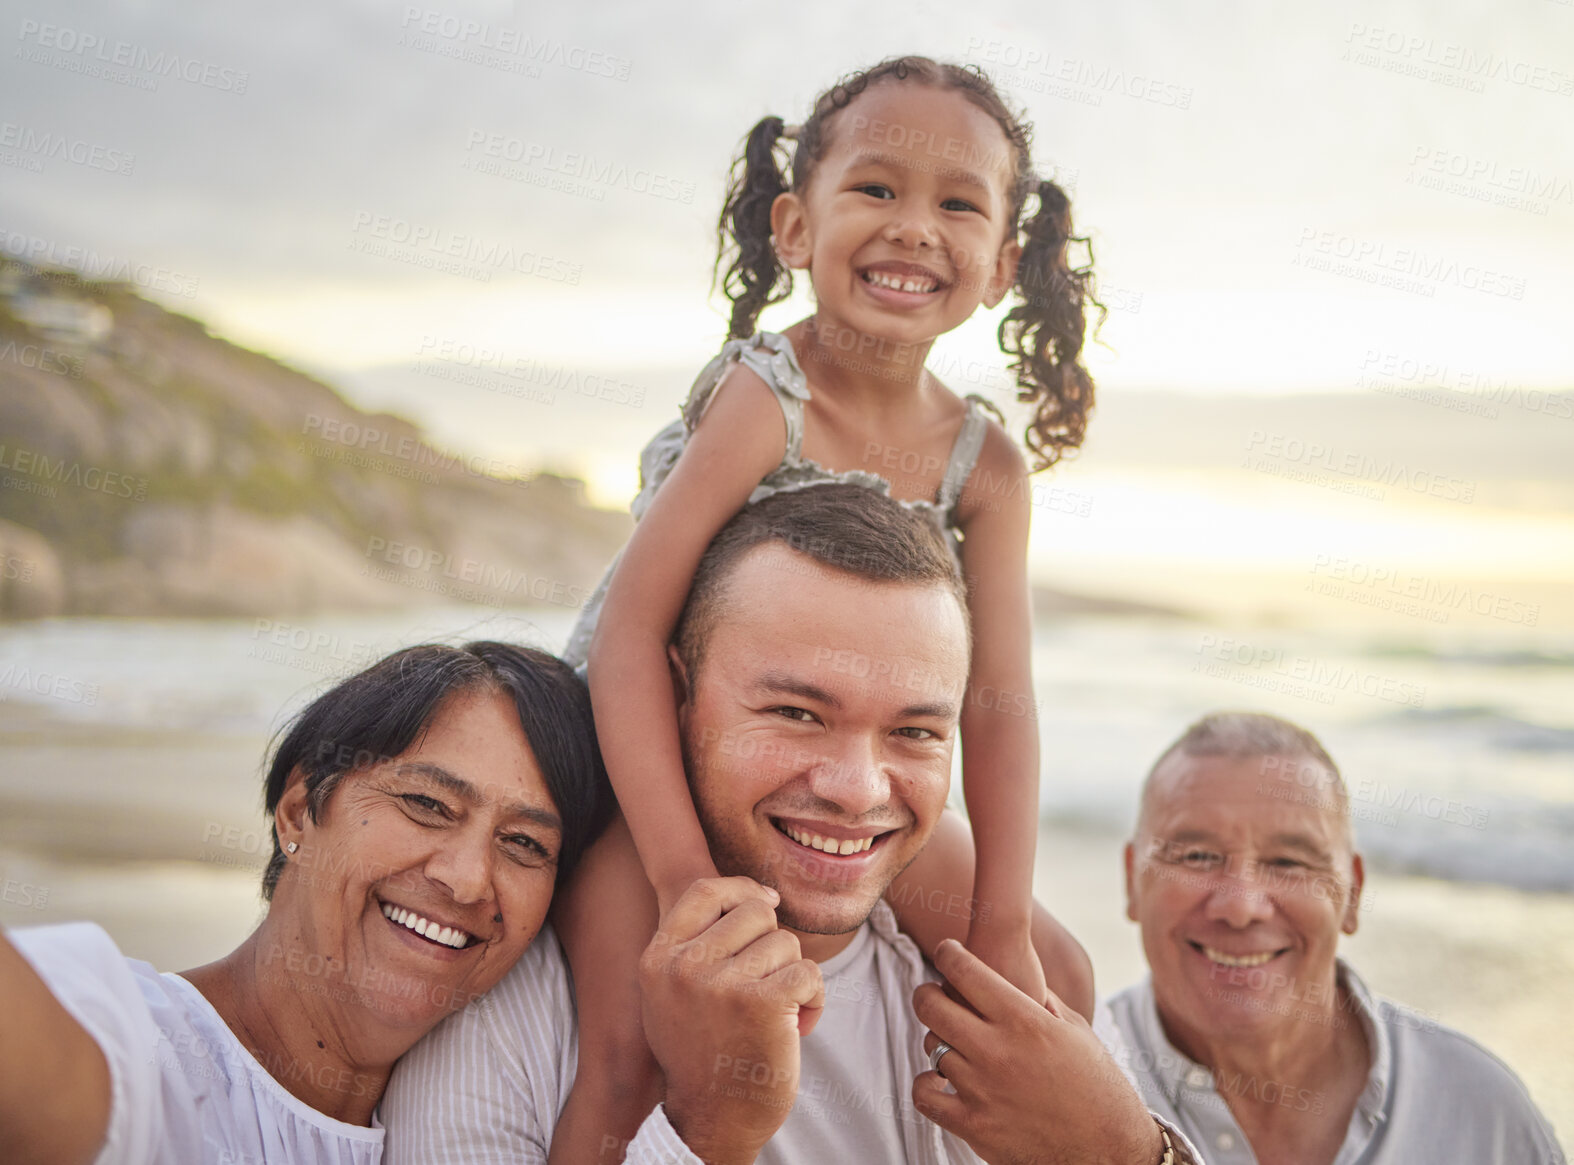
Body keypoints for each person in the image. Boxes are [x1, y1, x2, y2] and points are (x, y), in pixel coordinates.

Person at [553, 54, 1105, 1161]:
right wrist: (680, 875)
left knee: (1062, 982)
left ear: (1002, 264)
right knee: (625, 1048)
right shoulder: (768, 397)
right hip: (643, 744)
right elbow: (627, 640)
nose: (913, 227)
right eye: (876, 189)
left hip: (830, 747)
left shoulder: (985, 464)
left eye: (957, 203)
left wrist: (998, 914)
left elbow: (995, 700)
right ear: (796, 227)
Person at [379, 485, 1197, 1165]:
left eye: (914, 731)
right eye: (798, 712)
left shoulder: (1002, 1023)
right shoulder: (505, 1027)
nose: (855, 787)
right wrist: (707, 1128)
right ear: (677, 697)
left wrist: (1126, 1151)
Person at [0, 642, 613, 1165]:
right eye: (426, 804)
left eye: (526, 844)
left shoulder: (494, 1126)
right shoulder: (139, 1050)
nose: (469, 879)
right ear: (298, 809)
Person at [1109, 711, 1565, 1164]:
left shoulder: (1480, 1110)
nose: (1241, 907)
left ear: (1352, 895)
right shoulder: (1067, 1094)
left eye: (1289, 863)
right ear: (1133, 880)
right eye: (1197, 856)